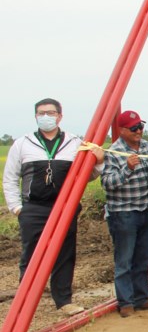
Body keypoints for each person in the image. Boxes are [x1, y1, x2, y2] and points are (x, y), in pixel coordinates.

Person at [2, 98, 104, 316]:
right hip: (33, 209)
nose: (45, 117)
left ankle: (64, 300)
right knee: (31, 254)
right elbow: (10, 178)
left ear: (59, 116)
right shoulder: (23, 143)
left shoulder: (74, 143)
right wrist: (17, 208)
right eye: (41, 113)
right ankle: (25, 301)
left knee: (65, 254)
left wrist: (98, 161)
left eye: (50, 112)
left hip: (65, 207)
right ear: (36, 116)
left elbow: (88, 176)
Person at [102, 110, 148, 318]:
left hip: (144, 210)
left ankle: (142, 297)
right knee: (124, 260)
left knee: (143, 258)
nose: (139, 131)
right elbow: (107, 183)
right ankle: (125, 302)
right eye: (134, 128)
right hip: (123, 213)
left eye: (140, 126)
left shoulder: (146, 147)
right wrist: (127, 169)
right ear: (122, 130)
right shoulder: (114, 152)